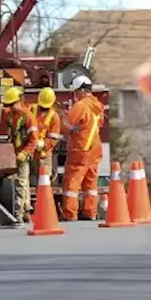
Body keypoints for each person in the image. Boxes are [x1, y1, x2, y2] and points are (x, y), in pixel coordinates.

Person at [60, 75, 105, 221]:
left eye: (76, 92)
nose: (75, 95)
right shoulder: (98, 105)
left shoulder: (80, 106)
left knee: (72, 182)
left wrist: (67, 123)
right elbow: (99, 124)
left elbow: (64, 125)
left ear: (82, 90)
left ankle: (70, 214)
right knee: (90, 183)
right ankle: (90, 212)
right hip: (95, 148)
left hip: (81, 148)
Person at [0, 86, 39, 222]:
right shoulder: (11, 116)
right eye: (8, 105)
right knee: (24, 181)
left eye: (12, 105)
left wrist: (25, 153)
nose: (10, 107)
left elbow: (34, 140)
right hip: (17, 152)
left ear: (19, 101)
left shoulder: (28, 117)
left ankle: (19, 211)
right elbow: (11, 133)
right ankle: (27, 209)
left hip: (25, 153)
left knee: (21, 182)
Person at [32, 87, 63, 175]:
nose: (44, 108)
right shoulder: (31, 110)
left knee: (44, 179)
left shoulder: (54, 117)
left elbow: (54, 138)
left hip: (43, 154)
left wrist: (43, 145)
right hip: (29, 152)